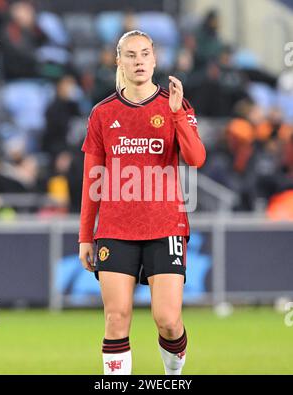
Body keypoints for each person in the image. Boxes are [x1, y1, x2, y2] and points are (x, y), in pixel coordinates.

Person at [78, 30, 206, 375]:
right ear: (119, 61)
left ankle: (173, 375)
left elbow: (196, 159)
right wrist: (85, 236)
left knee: (167, 319)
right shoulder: (102, 113)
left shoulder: (174, 104)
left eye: (145, 54)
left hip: (164, 225)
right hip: (115, 227)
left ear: (155, 59)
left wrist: (178, 115)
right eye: (131, 55)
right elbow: (93, 179)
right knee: (116, 317)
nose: (138, 61)